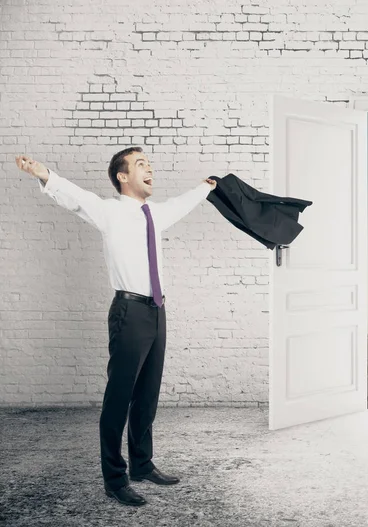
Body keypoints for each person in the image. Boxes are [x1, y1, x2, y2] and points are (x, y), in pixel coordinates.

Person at [15, 147, 217, 507]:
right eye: (141, 164)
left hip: (157, 310)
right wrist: (44, 173)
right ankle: (114, 478)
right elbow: (74, 197)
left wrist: (205, 186)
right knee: (119, 399)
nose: (149, 168)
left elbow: (181, 204)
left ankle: (142, 464)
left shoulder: (154, 213)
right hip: (129, 312)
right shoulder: (109, 211)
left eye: (149, 164)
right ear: (123, 177)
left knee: (148, 395)